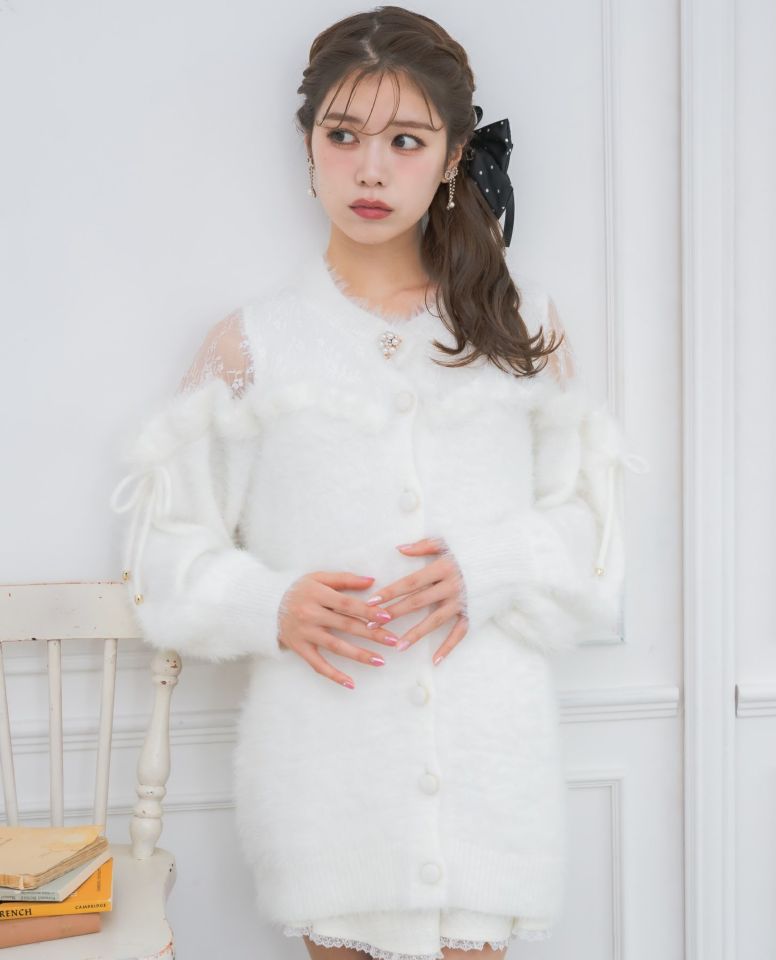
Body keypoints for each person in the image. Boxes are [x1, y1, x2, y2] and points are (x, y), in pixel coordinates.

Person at [109, 6, 647, 959]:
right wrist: (267, 603)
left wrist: (495, 566)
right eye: (344, 135)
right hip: (326, 771)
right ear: (309, 146)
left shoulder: (519, 325)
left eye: (405, 140)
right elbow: (164, 548)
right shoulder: (253, 343)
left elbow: (593, 530)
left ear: (451, 157)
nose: (369, 169)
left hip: (489, 766)